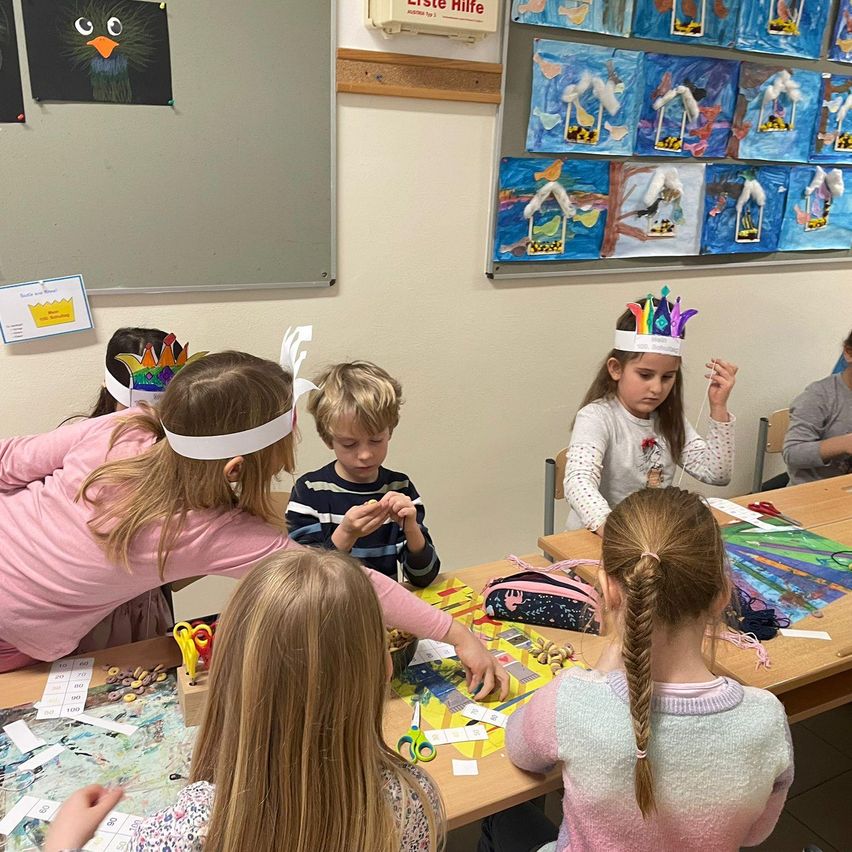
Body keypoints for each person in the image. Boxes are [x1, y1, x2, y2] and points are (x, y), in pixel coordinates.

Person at [0, 329, 506, 695]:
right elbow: (345, 580)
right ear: (238, 467)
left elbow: (8, 462)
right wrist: (455, 631)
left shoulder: (121, 427)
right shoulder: (214, 533)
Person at [46, 549, 447, 852]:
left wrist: (61, 844)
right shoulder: (416, 800)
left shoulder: (195, 826)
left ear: (226, 673)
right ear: (384, 667)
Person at [480, 487, 793, 852]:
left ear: (608, 592)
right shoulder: (766, 719)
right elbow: (755, 833)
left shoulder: (573, 700)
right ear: (722, 595)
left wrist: (608, 659)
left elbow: (520, 750)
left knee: (500, 816)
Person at [564, 289, 736, 534]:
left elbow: (716, 474)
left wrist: (718, 407)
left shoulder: (667, 419)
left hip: (651, 537)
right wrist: (616, 532)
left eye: (667, 377)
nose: (656, 388)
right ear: (615, 369)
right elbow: (578, 482)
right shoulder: (596, 417)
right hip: (601, 537)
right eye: (645, 375)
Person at [287, 361, 439, 586]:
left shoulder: (400, 487)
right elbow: (301, 581)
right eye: (349, 444)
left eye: (376, 440)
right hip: (330, 612)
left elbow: (423, 577)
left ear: (390, 432)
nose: (365, 455)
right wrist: (346, 533)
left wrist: (411, 528)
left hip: (385, 611)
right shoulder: (309, 491)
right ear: (329, 439)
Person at [783, 328, 852, 485]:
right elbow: (792, 453)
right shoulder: (819, 396)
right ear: (848, 352)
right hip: (814, 494)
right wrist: (844, 444)